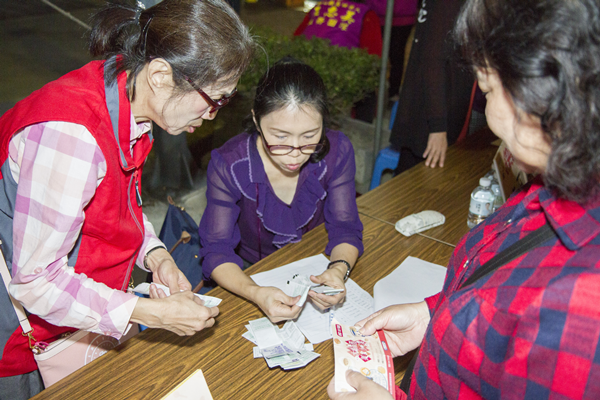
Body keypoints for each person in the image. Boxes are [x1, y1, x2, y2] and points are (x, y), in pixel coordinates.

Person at [328, 0, 600, 398]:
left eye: (487, 88)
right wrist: (434, 315)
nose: (485, 107)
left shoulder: (580, 310)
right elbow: (501, 293)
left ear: (538, 100)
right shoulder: (551, 188)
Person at [0, 1, 254, 398]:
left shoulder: (128, 93)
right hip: (18, 337)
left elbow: (120, 204)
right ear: (160, 74)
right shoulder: (71, 137)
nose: (213, 116)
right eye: (215, 99)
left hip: (75, 319)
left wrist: (157, 257)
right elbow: (35, 281)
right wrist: (150, 313)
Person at [198, 58, 364, 323]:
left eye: (310, 136)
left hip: (317, 264)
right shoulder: (230, 164)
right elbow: (217, 250)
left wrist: (338, 269)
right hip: (249, 275)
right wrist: (256, 292)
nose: (295, 154)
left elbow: (345, 227)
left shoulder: (337, 151)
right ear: (256, 119)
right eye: (280, 137)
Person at [389, 0, 474, 173]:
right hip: (432, 114)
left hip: (430, 108)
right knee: (419, 186)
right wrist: (438, 127)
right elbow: (433, 61)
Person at [365, 0, 418, 100]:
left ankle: (393, 93)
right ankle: (372, 96)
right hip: (375, 14)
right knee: (372, 55)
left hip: (403, 15)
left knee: (396, 56)